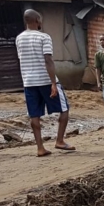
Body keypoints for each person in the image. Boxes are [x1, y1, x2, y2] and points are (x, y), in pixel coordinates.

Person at [16, 9, 72, 157]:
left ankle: (40, 148)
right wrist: (53, 83)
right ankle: (60, 141)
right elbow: (48, 60)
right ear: (37, 20)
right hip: (45, 80)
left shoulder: (19, 38)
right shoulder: (44, 37)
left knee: (34, 115)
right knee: (64, 109)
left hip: (29, 82)